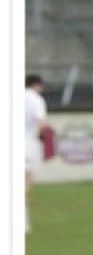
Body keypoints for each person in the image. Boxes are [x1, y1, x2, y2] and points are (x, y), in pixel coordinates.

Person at [25, 74, 49, 234]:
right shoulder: (36, 100)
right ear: (38, 85)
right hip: (27, 144)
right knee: (25, 183)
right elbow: (41, 122)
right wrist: (42, 136)